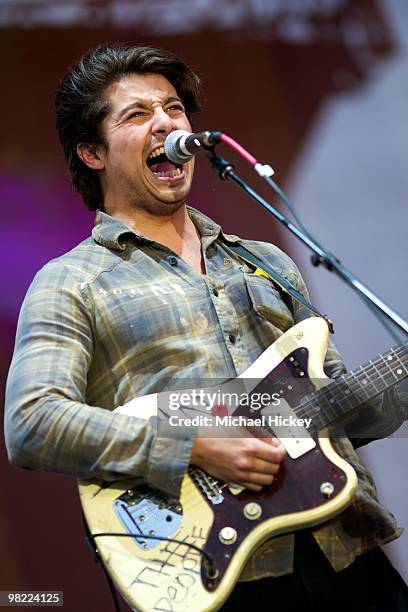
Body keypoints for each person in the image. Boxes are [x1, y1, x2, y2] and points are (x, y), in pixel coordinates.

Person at [4, 43, 408, 611]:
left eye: (173, 108)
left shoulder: (265, 260)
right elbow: (32, 422)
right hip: (214, 574)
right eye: (137, 114)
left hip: (347, 551)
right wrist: (192, 445)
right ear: (92, 152)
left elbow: (343, 413)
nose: (166, 124)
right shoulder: (71, 281)